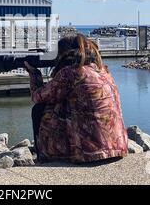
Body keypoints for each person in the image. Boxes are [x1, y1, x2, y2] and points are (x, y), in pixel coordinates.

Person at [24, 34, 128, 164]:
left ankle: (44, 157)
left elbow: (38, 97)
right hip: (117, 148)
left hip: (88, 154)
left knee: (39, 109)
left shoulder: (70, 73)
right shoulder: (103, 71)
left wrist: (34, 74)